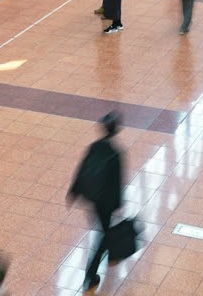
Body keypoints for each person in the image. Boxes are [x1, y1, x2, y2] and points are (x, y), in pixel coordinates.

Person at [68, 113, 125, 291]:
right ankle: (90, 275)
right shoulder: (115, 154)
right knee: (103, 236)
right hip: (106, 203)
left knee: (105, 230)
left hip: (93, 199)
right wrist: (118, 203)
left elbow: (82, 169)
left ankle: (112, 254)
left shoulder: (94, 147)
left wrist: (74, 191)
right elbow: (117, 182)